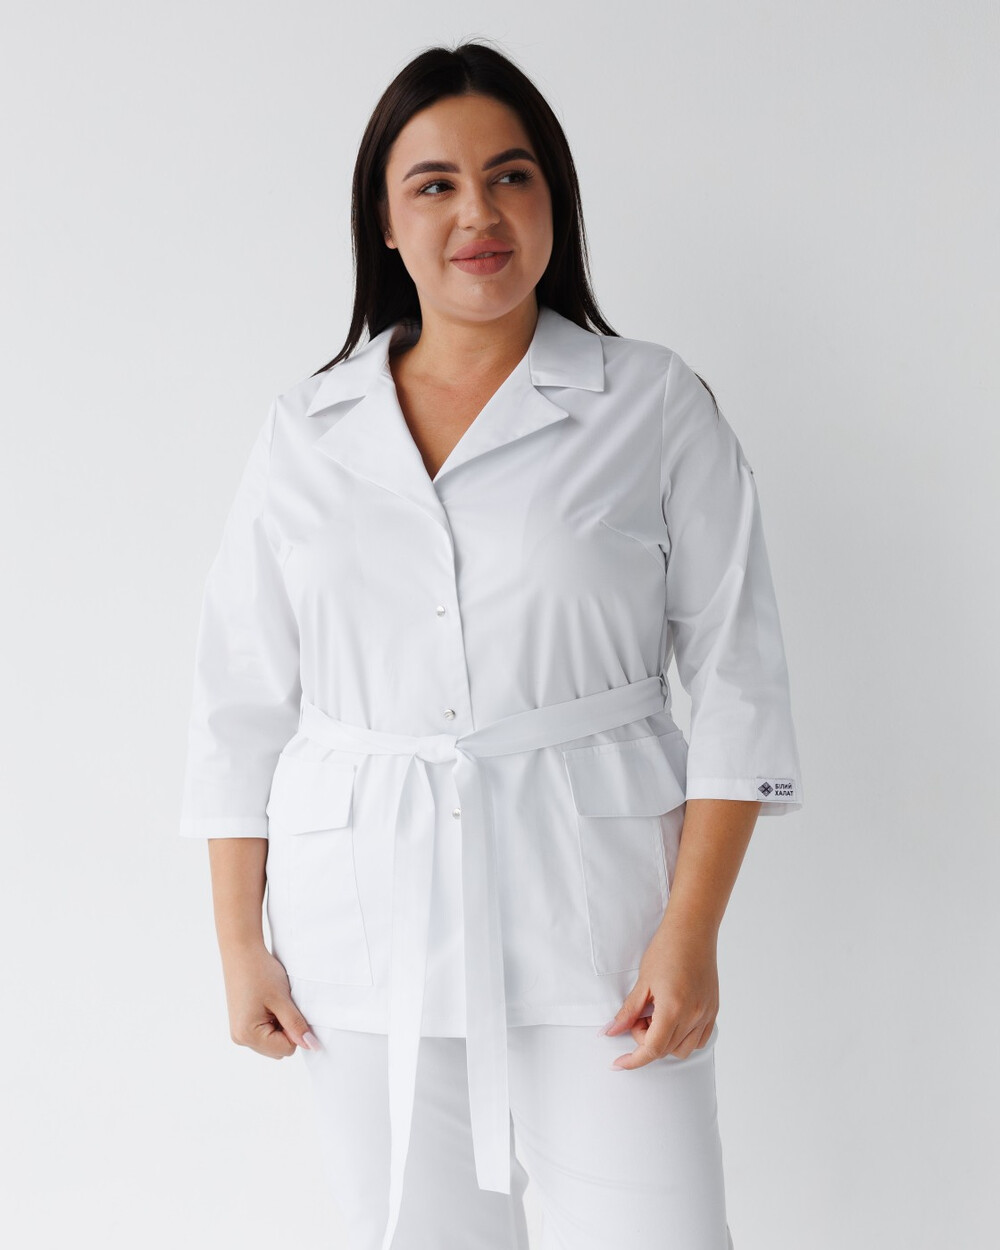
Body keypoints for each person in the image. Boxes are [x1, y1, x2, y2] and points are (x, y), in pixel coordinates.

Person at [178, 39, 803, 1250]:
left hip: (602, 924)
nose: (479, 213)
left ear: (552, 200)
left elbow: (738, 677)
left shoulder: (651, 402)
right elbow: (237, 697)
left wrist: (689, 932)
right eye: (436, 184)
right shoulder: (307, 428)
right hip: (362, 924)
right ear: (385, 221)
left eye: (511, 177)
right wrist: (240, 942)